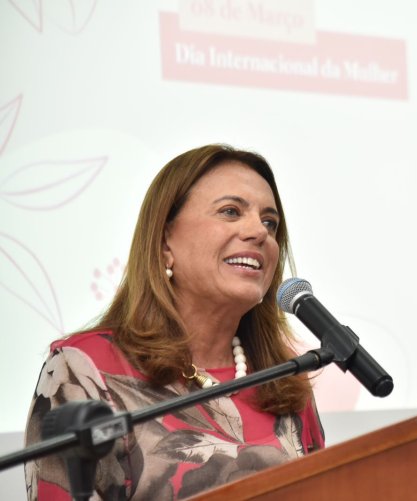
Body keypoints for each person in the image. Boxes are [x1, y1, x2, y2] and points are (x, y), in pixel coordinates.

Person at [24, 144, 325, 499]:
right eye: (230, 211)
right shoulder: (85, 368)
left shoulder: (285, 380)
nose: (259, 232)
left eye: (269, 222)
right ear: (165, 240)